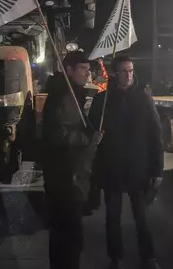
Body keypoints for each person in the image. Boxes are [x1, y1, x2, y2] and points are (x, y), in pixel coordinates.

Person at [89, 55, 164, 269]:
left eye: (131, 70)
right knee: (112, 217)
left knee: (142, 217)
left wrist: (157, 169)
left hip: (138, 169)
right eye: (123, 71)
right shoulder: (102, 101)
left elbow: (155, 136)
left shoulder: (143, 99)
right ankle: (115, 258)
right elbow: (91, 131)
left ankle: (148, 257)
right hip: (111, 168)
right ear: (115, 73)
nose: (128, 75)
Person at [42, 51, 103, 269]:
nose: (88, 74)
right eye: (83, 69)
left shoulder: (68, 92)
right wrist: (88, 137)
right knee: (70, 236)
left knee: (63, 234)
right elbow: (56, 134)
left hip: (67, 174)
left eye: (89, 69)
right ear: (69, 70)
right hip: (66, 176)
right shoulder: (65, 95)